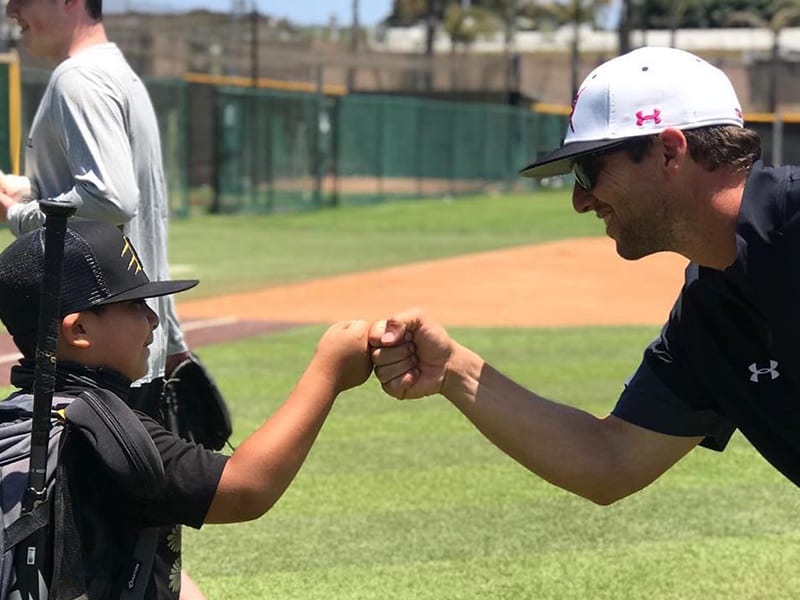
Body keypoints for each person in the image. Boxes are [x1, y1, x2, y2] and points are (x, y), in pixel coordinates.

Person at [369, 46, 800, 505]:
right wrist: (455, 370)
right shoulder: (711, 313)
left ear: (670, 152)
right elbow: (611, 460)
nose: (580, 200)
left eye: (589, 168)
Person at [0, 219, 372, 598]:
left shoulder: (19, 419)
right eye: (133, 304)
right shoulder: (108, 433)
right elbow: (246, 488)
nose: (153, 319)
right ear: (78, 330)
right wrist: (330, 374)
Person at [0, 1, 204, 593]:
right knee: (141, 550)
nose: (12, 9)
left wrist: (19, 212)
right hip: (131, 337)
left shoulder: (78, 78)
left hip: (96, 352)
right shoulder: (116, 73)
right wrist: (175, 342)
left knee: (89, 551)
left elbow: (108, 200)